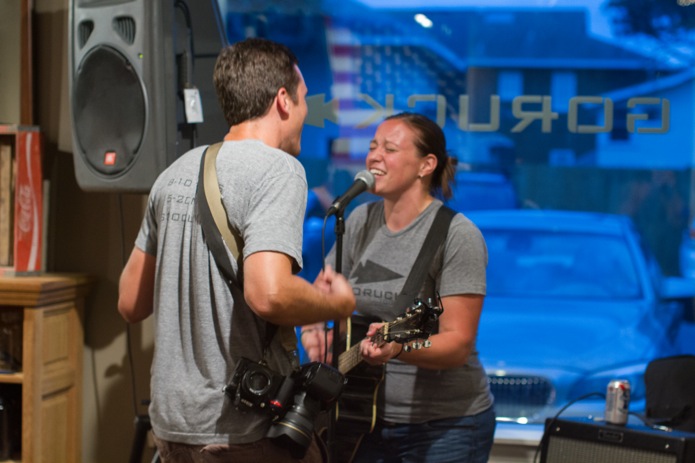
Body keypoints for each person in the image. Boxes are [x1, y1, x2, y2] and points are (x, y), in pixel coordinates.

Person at [118, 38, 356, 463]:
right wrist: (333, 303)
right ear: (283, 100)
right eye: (303, 100)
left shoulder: (174, 173)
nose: (304, 113)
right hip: (239, 431)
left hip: (173, 428)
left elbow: (130, 302)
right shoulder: (278, 170)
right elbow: (269, 294)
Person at [301, 112, 496, 463]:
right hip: (363, 417)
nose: (374, 156)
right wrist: (312, 330)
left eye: (389, 148)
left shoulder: (457, 235)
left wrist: (399, 347)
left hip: (444, 428)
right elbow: (320, 297)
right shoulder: (359, 220)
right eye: (373, 146)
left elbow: (458, 344)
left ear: (426, 165)